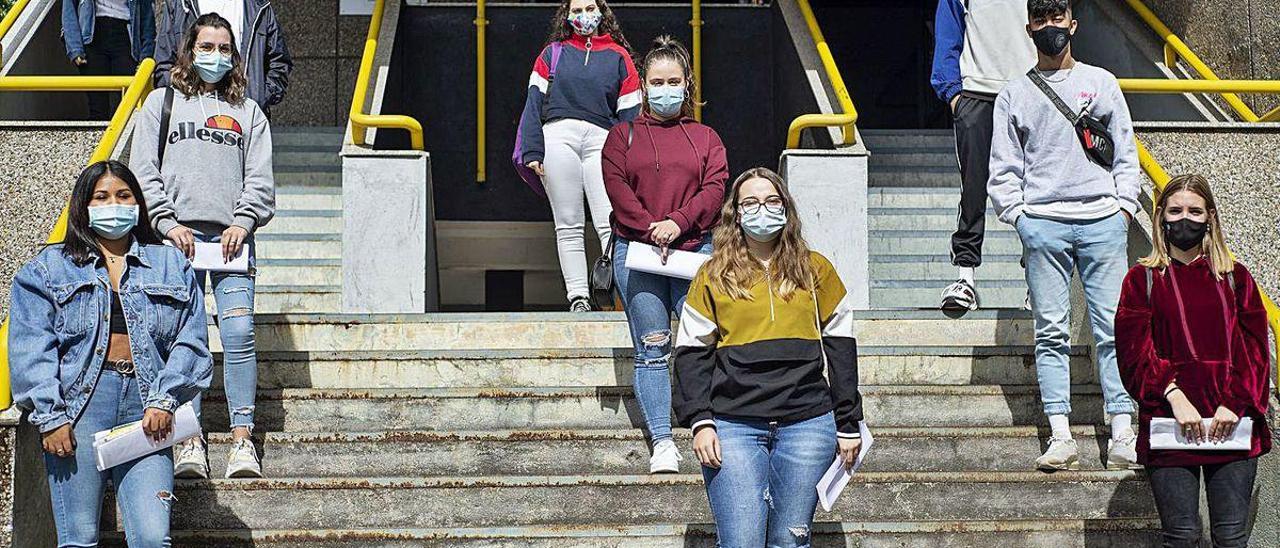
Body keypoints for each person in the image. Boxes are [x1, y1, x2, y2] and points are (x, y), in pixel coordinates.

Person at [9, 161, 212, 547]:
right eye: (101, 197)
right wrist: (50, 416)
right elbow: (32, 345)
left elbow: (192, 340)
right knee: (78, 538)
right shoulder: (48, 268)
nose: (113, 204)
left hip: (148, 406)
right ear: (83, 206)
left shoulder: (171, 264)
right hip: (80, 406)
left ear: (138, 203)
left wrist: (164, 398)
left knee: (153, 538)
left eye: (123, 195)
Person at [988, 0, 1141, 471]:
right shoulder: (1014, 93)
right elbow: (1003, 165)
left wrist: (1123, 207)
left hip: (1102, 219)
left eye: (1058, 19)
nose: (1050, 27)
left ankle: (1122, 431)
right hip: (1043, 223)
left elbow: (1126, 151)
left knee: (1114, 327)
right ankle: (1060, 434)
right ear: (1029, 27)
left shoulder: (1101, 82)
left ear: (1073, 24)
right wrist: (1019, 216)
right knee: (1050, 330)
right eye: (1042, 20)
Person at [673, 168, 863, 546]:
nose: (763, 209)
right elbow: (692, 353)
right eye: (751, 202)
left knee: (790, 541)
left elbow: (841, 347)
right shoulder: (712, 274)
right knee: (741, 541)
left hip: (807, 424)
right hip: (732, 426)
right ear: (736, 213)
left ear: (787, 208)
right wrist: (700, 421)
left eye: (772, 200)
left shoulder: (816, 269)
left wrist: (848, 421)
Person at [131, 12, 276, 480]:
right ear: (190, 50)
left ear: (234, 55)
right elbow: (142, 171)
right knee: (184, 339)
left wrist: (244, 220)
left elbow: (260, 180)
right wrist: (166, 222)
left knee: (237, 336)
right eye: (206, 46)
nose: (215, 55)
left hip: (232, 243)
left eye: (224, 48)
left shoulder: (249, 112)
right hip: (177, 243)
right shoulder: (161, 103)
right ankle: (188, 438)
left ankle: (242, 441)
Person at [1116, 174, 1271, 548]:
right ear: (1161, 218)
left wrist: (1234, 404)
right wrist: (1173, 394)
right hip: (1170, 423)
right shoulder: (1142, 279)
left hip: (1232, 424)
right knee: (1181, 538)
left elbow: (1256, 352)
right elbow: (1133, 352)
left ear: (1210, 218)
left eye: (1194, 211)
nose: (1185, 218)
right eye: (1175, 210)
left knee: (1232, 538)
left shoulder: (1236, 278)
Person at [601, 35, 727, 473]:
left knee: (699, 343)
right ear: (644, 85)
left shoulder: (705, 137)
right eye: (657, 81)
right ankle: (661, 442)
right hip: (637, 255)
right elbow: (617, 191)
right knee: (653, 347)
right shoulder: (622, 136)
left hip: (694, 250)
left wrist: (678, 222)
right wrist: (651, 228)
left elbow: (715, 187)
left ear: (687, 84)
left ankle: (701, 422)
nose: (666, 88)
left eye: (674, 81)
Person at [518, 0, 641, 311]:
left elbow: (631, 114)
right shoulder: (552, 53)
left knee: (610, 221)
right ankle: (578, 298)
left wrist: (627, 155)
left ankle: (619, 297)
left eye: (589, 7)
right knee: (568, 224)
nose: (583, 15)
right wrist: (533, 149)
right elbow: (533, 104)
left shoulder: (619, 56)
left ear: (602, 11)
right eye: (576, 10)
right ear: (566, 15)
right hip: (558, 136)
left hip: (604, 139)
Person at [931, 0, 1036, 310]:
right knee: (973, 190)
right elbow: (947, 35)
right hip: (976, 95)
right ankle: (965, 278)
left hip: (1030, 90)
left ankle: (1036, 281)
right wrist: (954, 95)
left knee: (1035, 191)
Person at [154, 0, 292, 116]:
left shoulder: (259, 6)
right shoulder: (180, 4)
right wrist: (182, 102)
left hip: (242, 115)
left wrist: (258, 98)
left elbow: (279, 61)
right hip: (190, 116)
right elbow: (164, 61)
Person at [62, 0, 156, 120]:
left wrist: (146, 55)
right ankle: (98, 138)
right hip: (93, 35)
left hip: (126, 36)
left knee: (126, 105)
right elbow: (69, 10)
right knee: (97, 106)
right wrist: (75, 48)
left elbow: (148, 18)